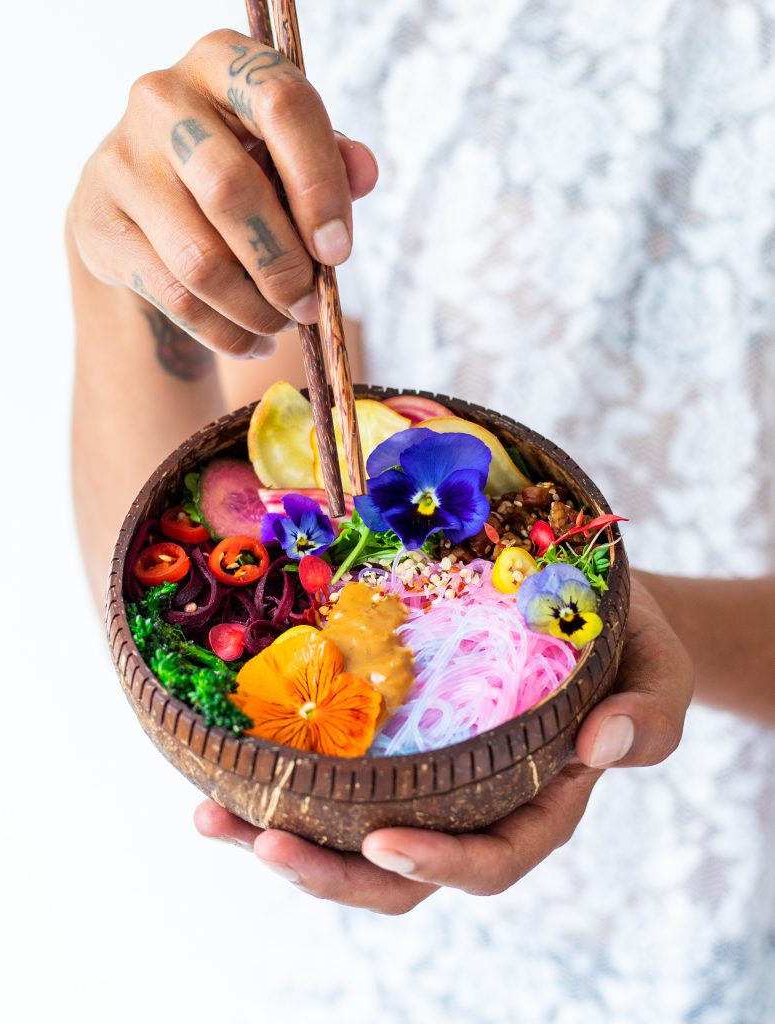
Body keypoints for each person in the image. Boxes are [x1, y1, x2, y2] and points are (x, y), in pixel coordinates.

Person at [69, 5, 775, 1020]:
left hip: (723, 901)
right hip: (371, 944)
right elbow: (233, 520)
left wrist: (618, 620)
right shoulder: (359, 25)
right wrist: (117, 275)